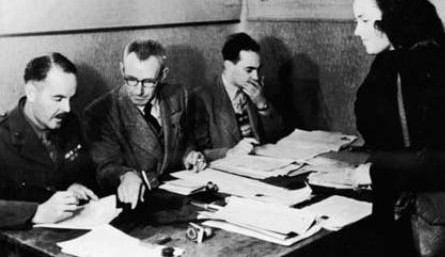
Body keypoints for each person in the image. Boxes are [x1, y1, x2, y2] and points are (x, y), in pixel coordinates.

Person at [349, 0, 445, 256]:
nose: (357, 31)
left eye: (364, 20)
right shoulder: (403, 60)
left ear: (393, 18)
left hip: (417, 220)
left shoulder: (416, 67)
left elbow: (438, 159)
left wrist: (373, 172)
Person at [84, 39, 193, 210]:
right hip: (138, 206)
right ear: (122, 70)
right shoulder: (100, 112)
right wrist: (125, 175)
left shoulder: (177, 95)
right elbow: (105, 167)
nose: (139, 90)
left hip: (182, 198)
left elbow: (185, 140)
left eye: (149, 82)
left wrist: (190, 155)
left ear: (163, 75)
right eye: (131, 79)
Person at [0, 53, 98, 229]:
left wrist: (75, 186)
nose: (67, 108)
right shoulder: (2, 136)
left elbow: (86, 168)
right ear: (31, 92)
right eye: (58, 98)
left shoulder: (70, 123)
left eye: (70, 99)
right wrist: (36, 212)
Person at [189, 32, 283, 162]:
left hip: (261, 163)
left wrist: (262, 104)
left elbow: (276, 135)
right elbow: (197, 153)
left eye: (258, 69)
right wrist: (230, 152)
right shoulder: (202, 98)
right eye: (249, 70)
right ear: (228, 65)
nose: (255, 77)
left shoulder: (255, 88)